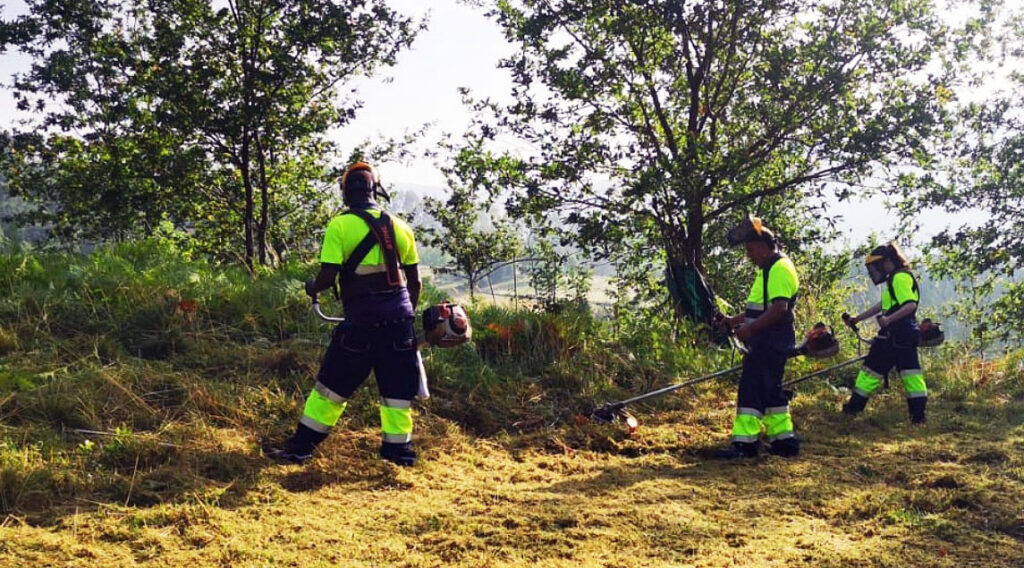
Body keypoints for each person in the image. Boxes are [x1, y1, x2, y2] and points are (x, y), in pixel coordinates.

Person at [264, 161, 423, 466]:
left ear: (345, 192)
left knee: (331, 389)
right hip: (400, 325)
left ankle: (300, 449)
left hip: (361, 324)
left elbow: (327, 277)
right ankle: (399, 455)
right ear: (376, 190)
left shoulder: (340, 226)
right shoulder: (401, 227)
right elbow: (414, 283)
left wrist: (312, 287)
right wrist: (405, 318)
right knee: (397, 394)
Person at [714, 216, 801, 459]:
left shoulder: (779, 268)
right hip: (769, 341)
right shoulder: (769, 269)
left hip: (770, 342)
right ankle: (785, 442)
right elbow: (760, 308)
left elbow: (779, 309)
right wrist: (733, 321)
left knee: (751, 389)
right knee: (771, 393)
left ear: (763, 247)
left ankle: (745, 445)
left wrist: (750, 331)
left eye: (750, 250)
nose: (749, 256)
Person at [841, 243, 927, 423]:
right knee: (911, 375)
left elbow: (910, 305)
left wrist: (888, 320)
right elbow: (883, 305)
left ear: (887, 261)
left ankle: (853, 409)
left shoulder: (899, 278)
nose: (875, 271)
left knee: (870, 372)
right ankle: (918, 417)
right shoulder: (895, 278)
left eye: (876, 266)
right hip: (903, 336)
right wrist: (857, 319)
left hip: (894, 336)